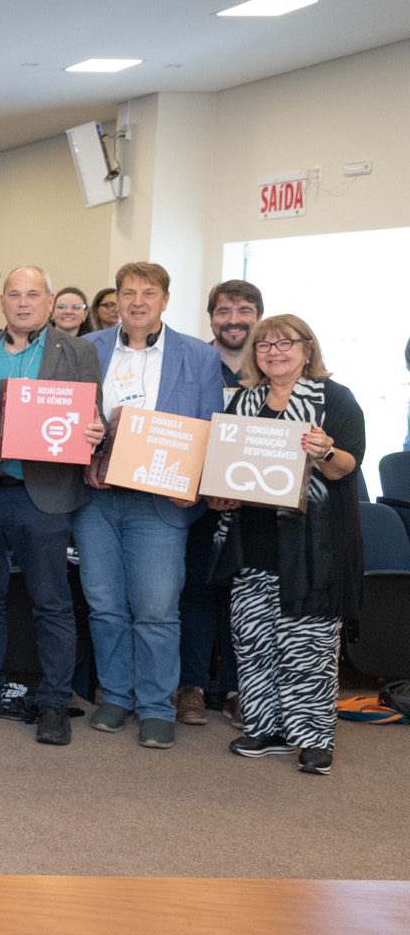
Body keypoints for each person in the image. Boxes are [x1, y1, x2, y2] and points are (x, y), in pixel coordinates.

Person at [75, 261, 227, 748]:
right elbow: (67, 416)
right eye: (127, 292)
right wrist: (85, 450)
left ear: (165, 299)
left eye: (148, 292)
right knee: (104, 605)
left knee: (158, 608)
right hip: (96, 498)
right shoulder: (87, 349)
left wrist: (197, 480)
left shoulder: (198, 356)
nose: (136, 301)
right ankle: (118, 696)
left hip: (161, 501)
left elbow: (209, 426)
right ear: (115, 300)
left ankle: (158, 704)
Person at [208, 315, 364, 776]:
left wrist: (325, 451)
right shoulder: (245, 399)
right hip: (252, 540)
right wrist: (219, 492)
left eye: (285, 343)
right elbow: (226, 468)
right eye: (264, 345)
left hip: (311, 546)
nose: (273, 351)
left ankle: (313, 737)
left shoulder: (333, 399)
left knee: (308, 644)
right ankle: (264, 726)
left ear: (307, 348)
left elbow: (346, 467)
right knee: (253, 640)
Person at [0, 266, 101, 745]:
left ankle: (55, 700)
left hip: (43, 494)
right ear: (1, 303)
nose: (24, 303)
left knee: (51, 601)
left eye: (33, 295)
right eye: (15, 295)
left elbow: (93, 417)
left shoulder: (78, 351)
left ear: (49, 302)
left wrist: (95, 432)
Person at [182, 279, 264, 727]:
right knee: (195, 592)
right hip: (196, 498)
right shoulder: (194, 362)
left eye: (244, 310)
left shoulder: (269, 368)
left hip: (252, 504)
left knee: (241, 598)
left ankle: (237, 689)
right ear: (211, 316)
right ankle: (191, 686)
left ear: (257, 315)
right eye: (224, 311)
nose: (233, 320)